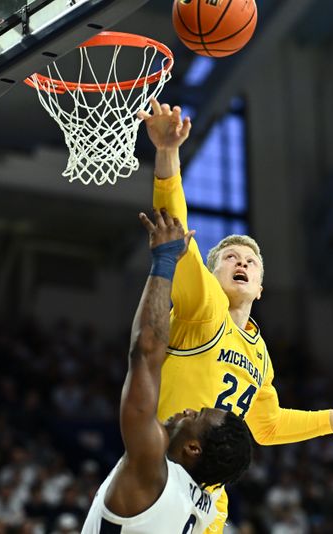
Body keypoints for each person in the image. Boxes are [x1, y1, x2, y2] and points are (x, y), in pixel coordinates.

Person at [138, 99, 333, 532]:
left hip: (209, 501)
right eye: (230, 258)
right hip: (161, 473)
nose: (242, 263)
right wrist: (167, 154)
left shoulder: (260, 354)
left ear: (261, 286)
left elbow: (268, 426)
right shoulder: (203, 307)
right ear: (211, 275)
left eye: (250, 261)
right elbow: (175, 229)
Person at [80, 208, 254, 534]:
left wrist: (164, 261)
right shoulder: (205, 507)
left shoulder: (149, 467)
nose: (187, 410)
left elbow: (145, 354)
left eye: (196, 415)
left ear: (193, 448)